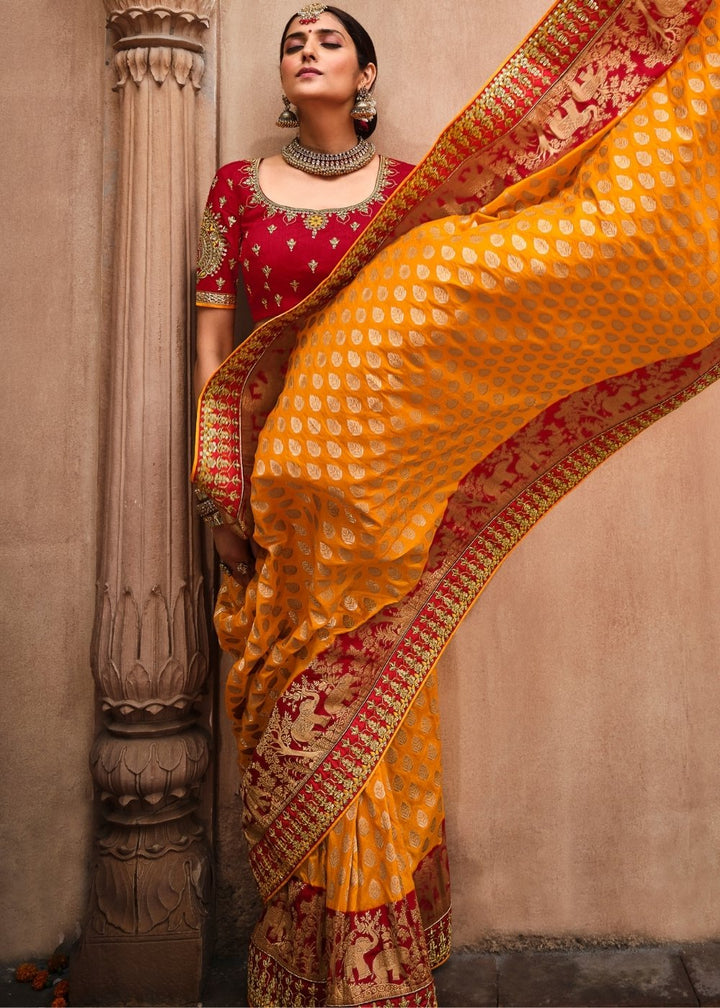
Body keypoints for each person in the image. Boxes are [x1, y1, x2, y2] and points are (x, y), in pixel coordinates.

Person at [193, 1, 720, 1005]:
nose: (307, 49)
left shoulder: (408, 195)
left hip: (385, 483)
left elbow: (465, 327)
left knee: (382, 705)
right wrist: (220, 473)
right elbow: (217, 350)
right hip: (284, 477)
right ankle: (311, 942)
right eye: (292, 40)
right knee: (303, 708)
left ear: (367, 73)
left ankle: (369, 947)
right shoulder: (236, 190)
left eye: (329, 39)